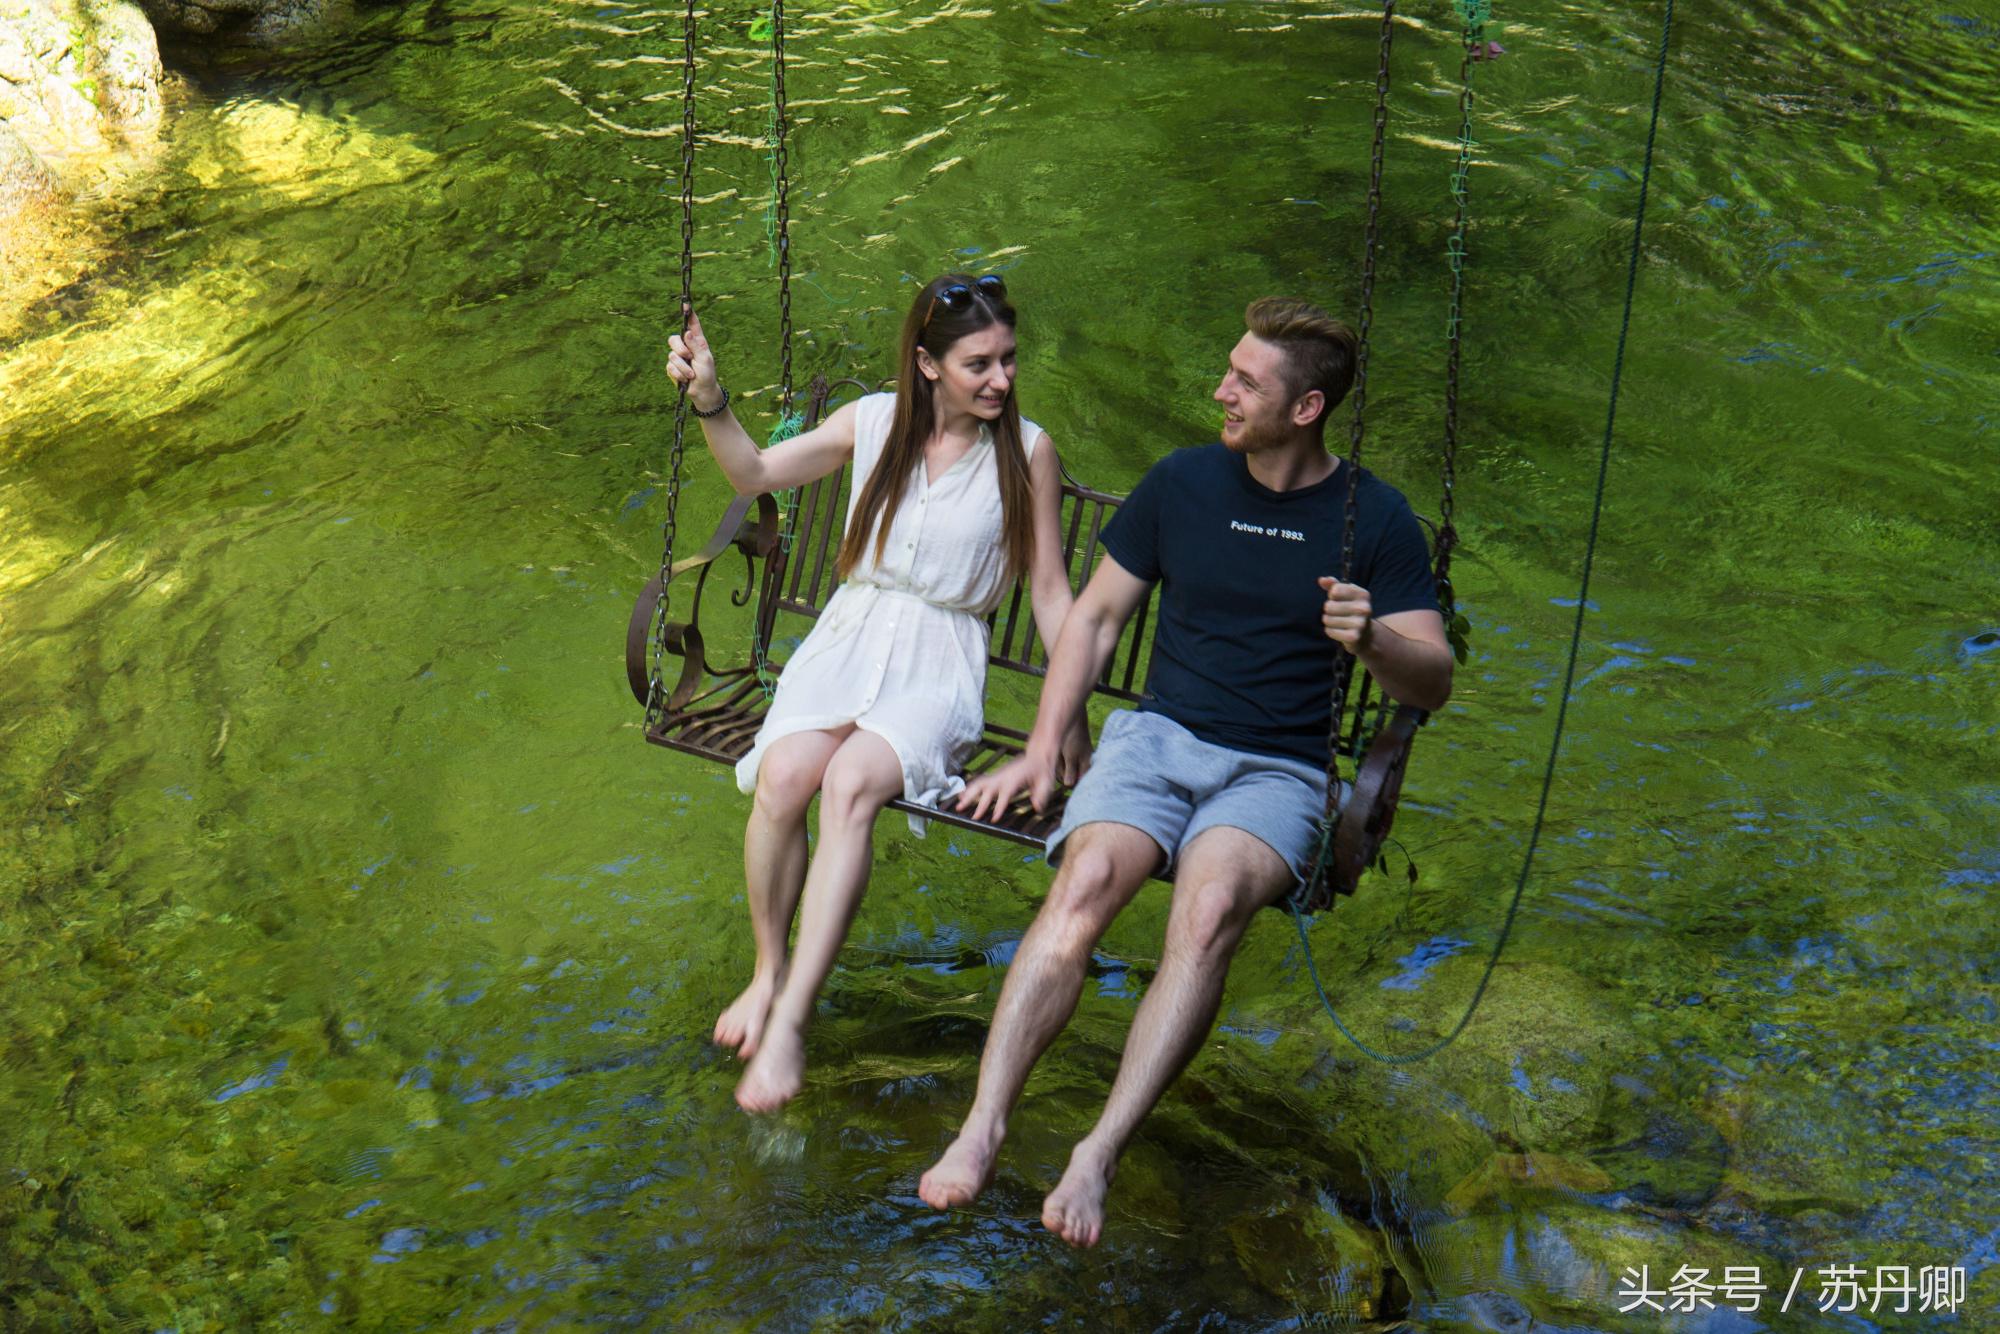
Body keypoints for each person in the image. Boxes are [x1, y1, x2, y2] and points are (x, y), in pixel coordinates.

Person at [915, 296, 1455, 1245]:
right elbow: (1092, 619)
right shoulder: (1184, 484)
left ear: (1306, 409)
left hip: (1280, 771)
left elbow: (1434, 677)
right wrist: (1050, 739)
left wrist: (1371, 638)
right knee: (1082, 883)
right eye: (1229, 367)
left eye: (1247, 379)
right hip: (1156, 738)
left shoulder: (1377, 521)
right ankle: (982, 1126)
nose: (1222, 388)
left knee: (1203, 917)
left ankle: (1098, 1152)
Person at [664, 274, 1092, 1114]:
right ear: (928, 365)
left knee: (852, 782)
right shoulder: (872, 422)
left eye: (1008, 360)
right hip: (848, 639)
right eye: (979, 364)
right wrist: (712, 400)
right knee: (786, 778)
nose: (1001, 378)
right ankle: (768, 971)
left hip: (940, 660)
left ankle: (790, 1019)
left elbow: (1048, 591)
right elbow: (752, 475)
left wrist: (1064, 712)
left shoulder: (1027, 451)